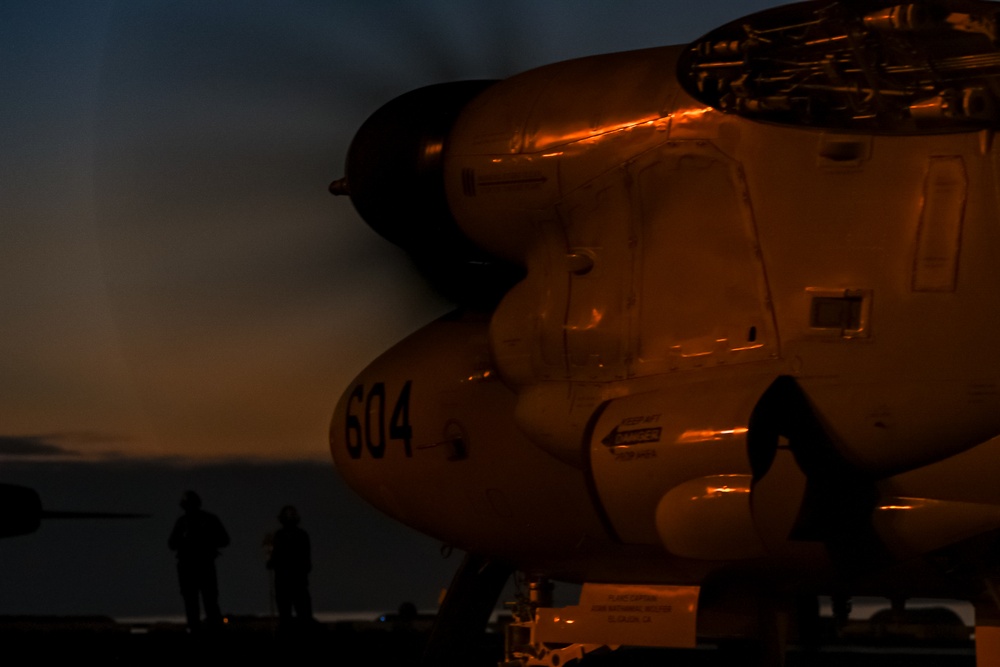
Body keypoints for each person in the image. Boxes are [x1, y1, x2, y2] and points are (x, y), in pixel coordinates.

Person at [168, 490, 229, 631]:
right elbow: (171, 544)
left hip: (200, 566)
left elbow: (224, 540)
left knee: (203, 602)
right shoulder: (184, 522)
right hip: (193, 567)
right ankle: (205, 631)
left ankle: (207, 631)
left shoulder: (194, 521)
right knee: (199, 602)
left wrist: (203, 543)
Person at [266, 505, 314, 628]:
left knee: (292, 614)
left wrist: (272, 562)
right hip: (294, 580)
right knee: (298, 614)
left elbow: (276, 556)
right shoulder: (298, 535)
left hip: (289, 580)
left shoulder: (281, 536)